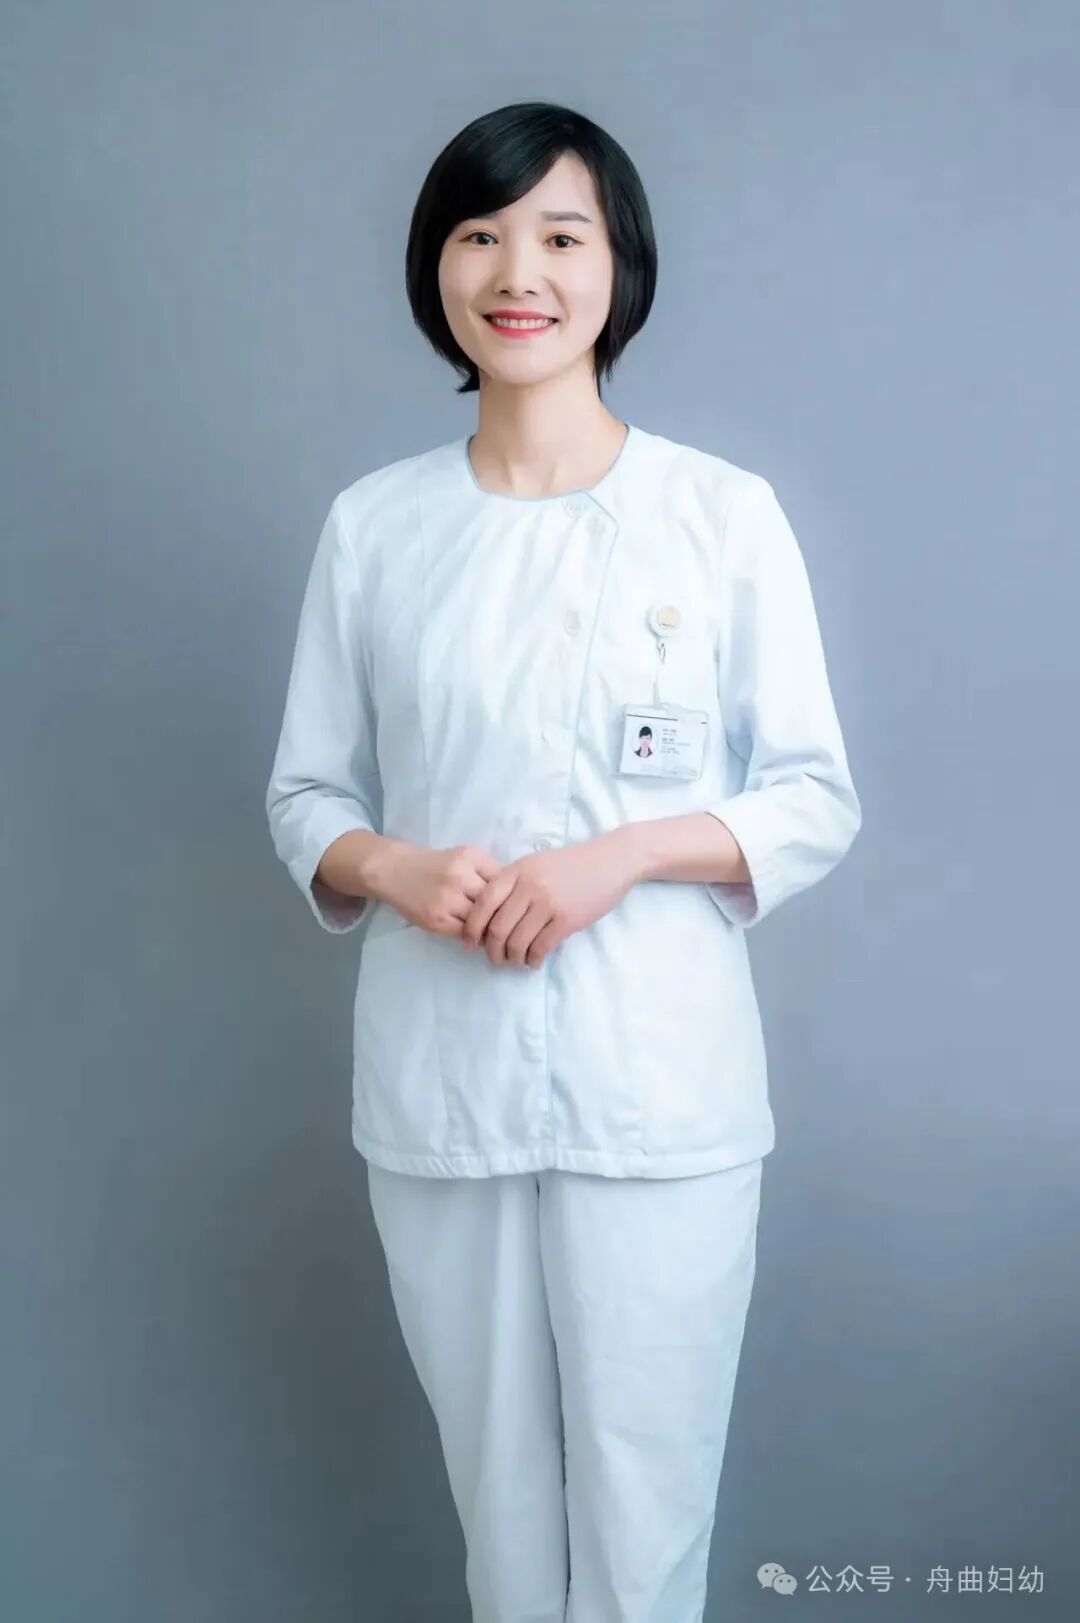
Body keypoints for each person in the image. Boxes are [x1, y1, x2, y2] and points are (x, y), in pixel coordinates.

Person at [265, 100, 861, 1623]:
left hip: (658, 1087)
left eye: (559, 234)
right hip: (443, 1079)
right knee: (503, 1516)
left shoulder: (719, 516)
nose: (516, 271)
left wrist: (627, 857)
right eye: (479, 235)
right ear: (438, 269)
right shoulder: (376, 528)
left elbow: (812, 795)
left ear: (618, 266)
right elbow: (306, 793)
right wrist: (391, 868)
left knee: (647, 1514)